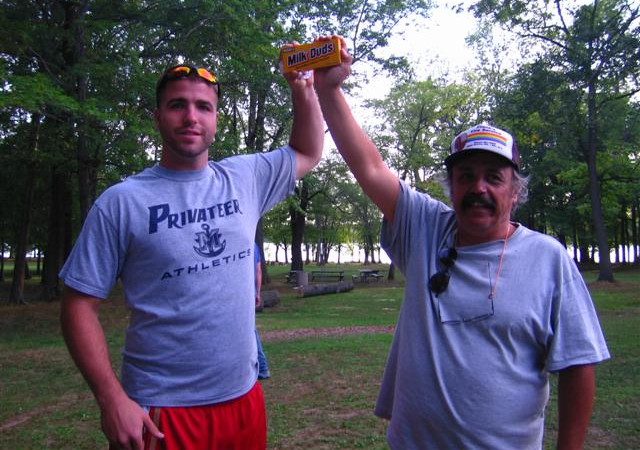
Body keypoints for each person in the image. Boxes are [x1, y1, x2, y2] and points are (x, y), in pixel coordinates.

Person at [313, 36, 610, 449]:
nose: (478, 188)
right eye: (466, 176)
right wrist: (328, 89)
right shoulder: (425, 228)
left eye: (494, 177)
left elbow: (578, 364)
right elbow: (368, 164)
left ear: (515, 190)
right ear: (450, 186)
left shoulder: (548, 258)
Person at [59, 60, 324, 450]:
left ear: (216, 119)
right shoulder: (121, 202)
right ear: (157, 116)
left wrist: (303, 89)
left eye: (204, 107)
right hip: (162, 410)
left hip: (243, 399)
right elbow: (78, 307)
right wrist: (111, 398)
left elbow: (308, 150)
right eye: (177, 105)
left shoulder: (244, 178)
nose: (190, 117)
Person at [254, 243, 270, 380]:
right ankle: (262, 368)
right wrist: (257, 293)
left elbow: (258, 271)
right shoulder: (254, 246)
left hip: (239, 295)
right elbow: (258, 271)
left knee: (250, 330)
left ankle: (263, 368)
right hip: (248, 294)